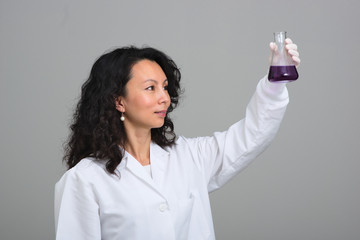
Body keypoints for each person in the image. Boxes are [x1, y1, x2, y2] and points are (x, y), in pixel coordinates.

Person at [55, 39, 300, 240]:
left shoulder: (188, 156)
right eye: (151, 88)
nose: (165, 98)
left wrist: (274, 85)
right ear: (119, 101)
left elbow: (251, 136)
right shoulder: (84, 179)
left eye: (165, 86)